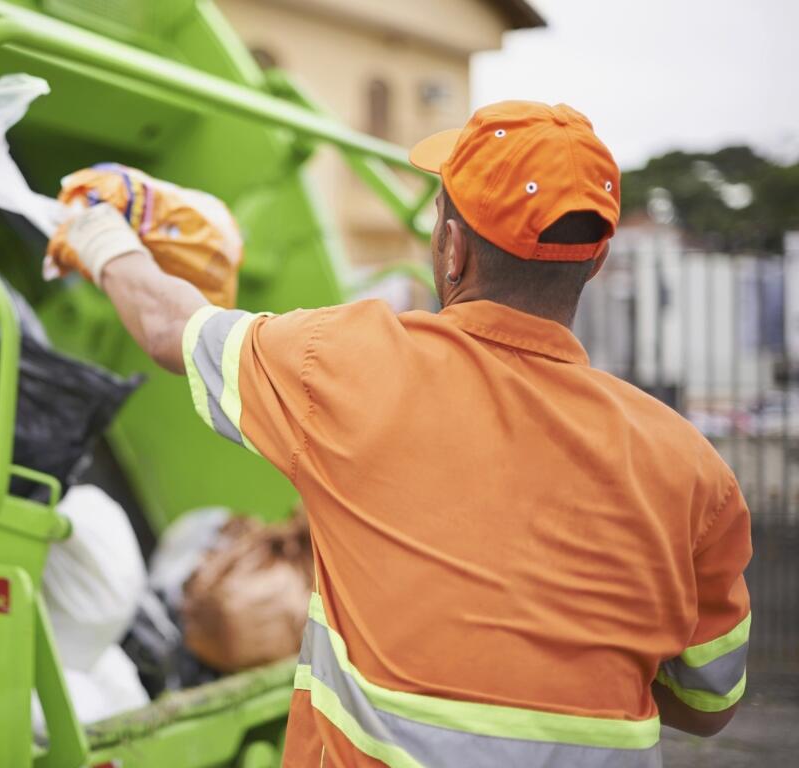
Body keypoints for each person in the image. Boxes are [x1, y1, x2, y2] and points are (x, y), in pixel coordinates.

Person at [47, 101, 751, 767]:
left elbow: (173, 330)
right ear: (595, 261)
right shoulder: (690, 469)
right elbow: (710, 698)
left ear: (452, 249)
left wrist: (100, 232)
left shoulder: (346, 365)